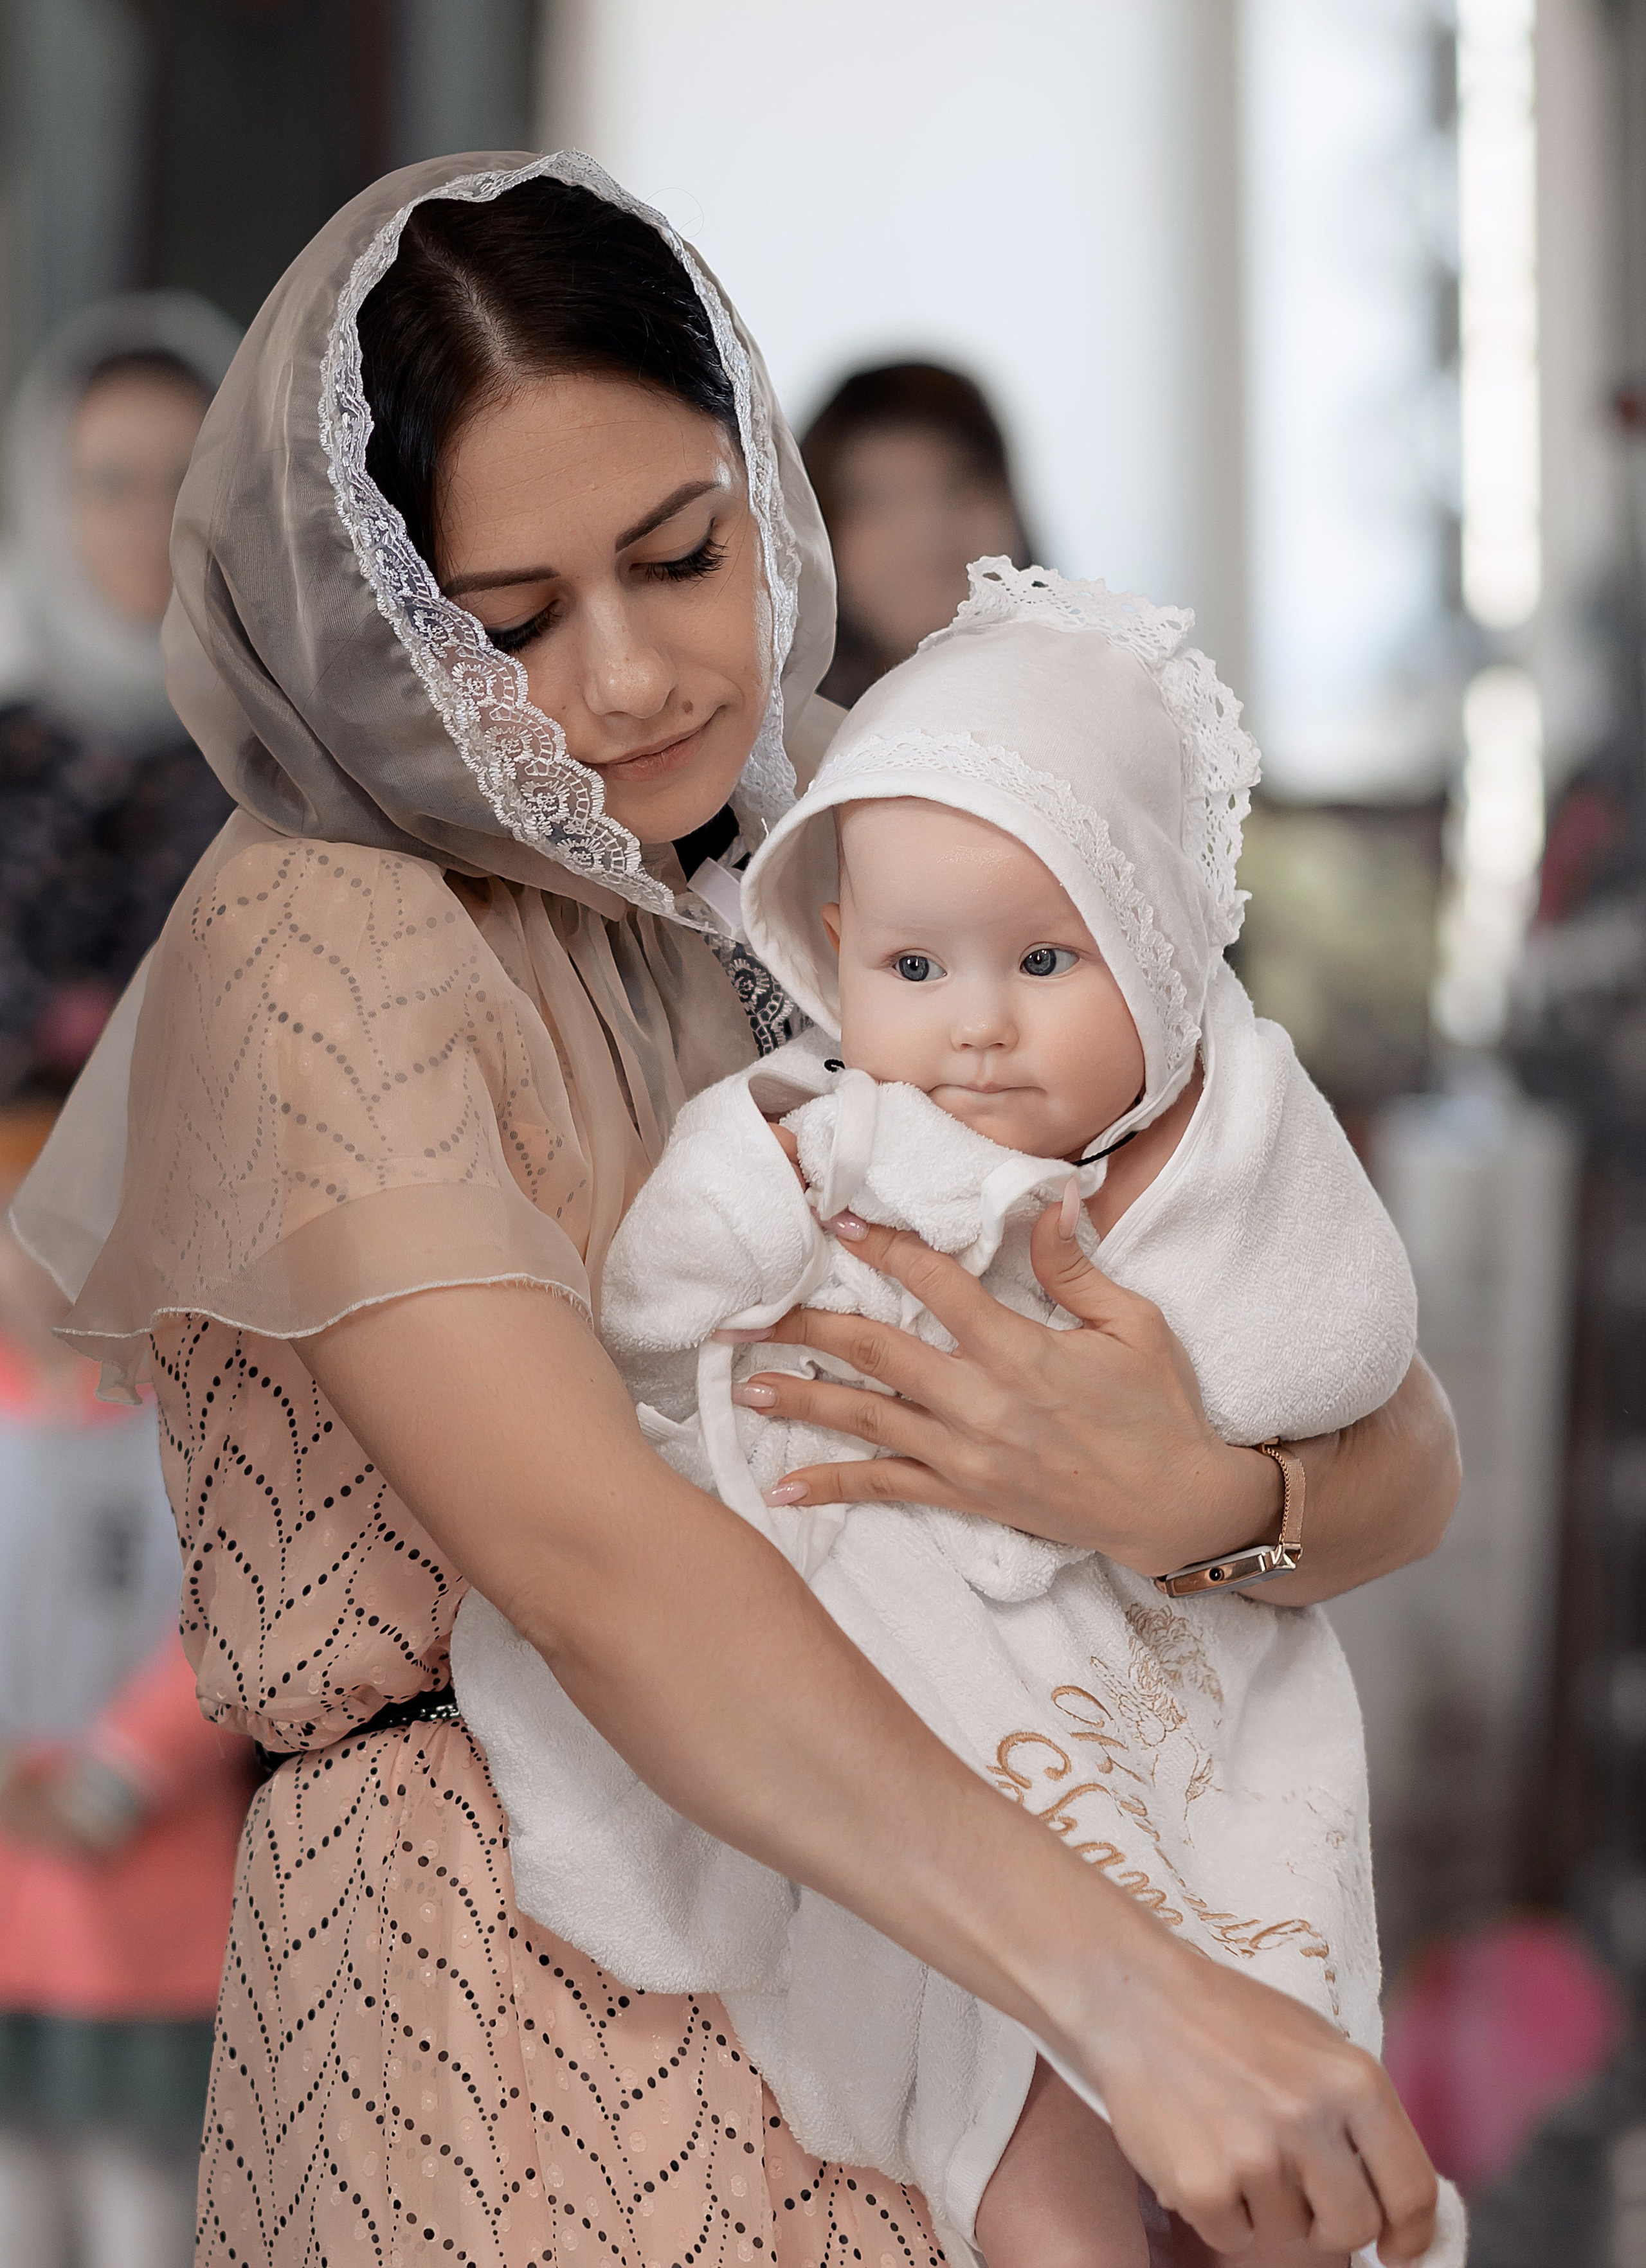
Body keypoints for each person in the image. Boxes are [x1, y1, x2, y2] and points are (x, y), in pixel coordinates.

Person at [12, 152, 1459, 2268]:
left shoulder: (884, 831)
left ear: (756, 479)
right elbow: (592, 1559)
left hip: (949, 1973)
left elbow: (1377, 1392)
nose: (628, 679)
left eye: (682, 556)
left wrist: (1202, 1488)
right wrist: (1135, 1996)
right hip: (517, 2004)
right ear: (377, 609)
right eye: (508, 625)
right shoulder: (323, 935)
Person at [456, 559, 1461, 2268]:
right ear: (838, 953)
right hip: (901, 1683)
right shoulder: (827, 1126)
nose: (976, 1027)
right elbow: (666, 1296)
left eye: (1048, 962)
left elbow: (1349, 1349)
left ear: (1150, 953)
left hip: (1159, 1667)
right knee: (1015, 2128)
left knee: (1258, 2045)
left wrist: (1199, 1465)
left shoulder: (1210, 1141)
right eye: (917, 966)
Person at [0, 1118, 252, 2268]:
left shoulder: (192, 1420)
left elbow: (229, 1620)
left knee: (139, 2181)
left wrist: (118, 1768)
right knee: (16, 2176)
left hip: (149, 1865)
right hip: (12, 1850)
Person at [0, 296, 240, 1099]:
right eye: (110, 484)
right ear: (48, 498)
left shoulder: (285, 737)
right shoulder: (12, 729)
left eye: (183, 478)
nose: (149, 519)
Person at [804, 363, 1032, 707]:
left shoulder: (1106, 705)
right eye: (878, 501)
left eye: (958, 490)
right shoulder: (784, 745)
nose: (923, 534)